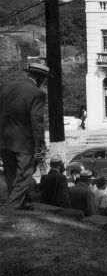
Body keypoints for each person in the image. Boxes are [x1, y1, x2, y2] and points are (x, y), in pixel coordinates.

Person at [0, 62, 51, 209]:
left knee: (11, 175)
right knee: (23, 176)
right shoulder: (37, 93)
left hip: (4, 139)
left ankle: (20, 205)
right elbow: (37, 121)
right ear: (41, 79)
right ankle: (12, 209)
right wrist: (40, 147)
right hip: (23, 142)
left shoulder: (6, 87)